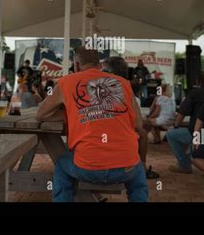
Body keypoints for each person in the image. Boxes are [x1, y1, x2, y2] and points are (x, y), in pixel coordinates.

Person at [37, 46, 148, 202]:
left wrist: (71, 113)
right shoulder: (123, 83)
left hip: (87, 168)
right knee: (138, 174)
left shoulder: (66, 82)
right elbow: (138, 125)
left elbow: (40, 114)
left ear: (76, 65)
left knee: (62, 164)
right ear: (100, 65)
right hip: (125, 169)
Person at [106, 56, 159, 179]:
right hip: (117, 135)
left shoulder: (95, 89)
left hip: (99, 140)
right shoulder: (129, 95)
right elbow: (137, 125)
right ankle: (142, 167)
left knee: (143, 129)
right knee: (142, 132)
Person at [167, 71, 204, 174]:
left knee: (171, 134)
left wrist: (176, 125)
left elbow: (182, 112)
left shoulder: (194, 93)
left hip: (196, 133)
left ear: (198, 81)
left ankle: (184, 165)